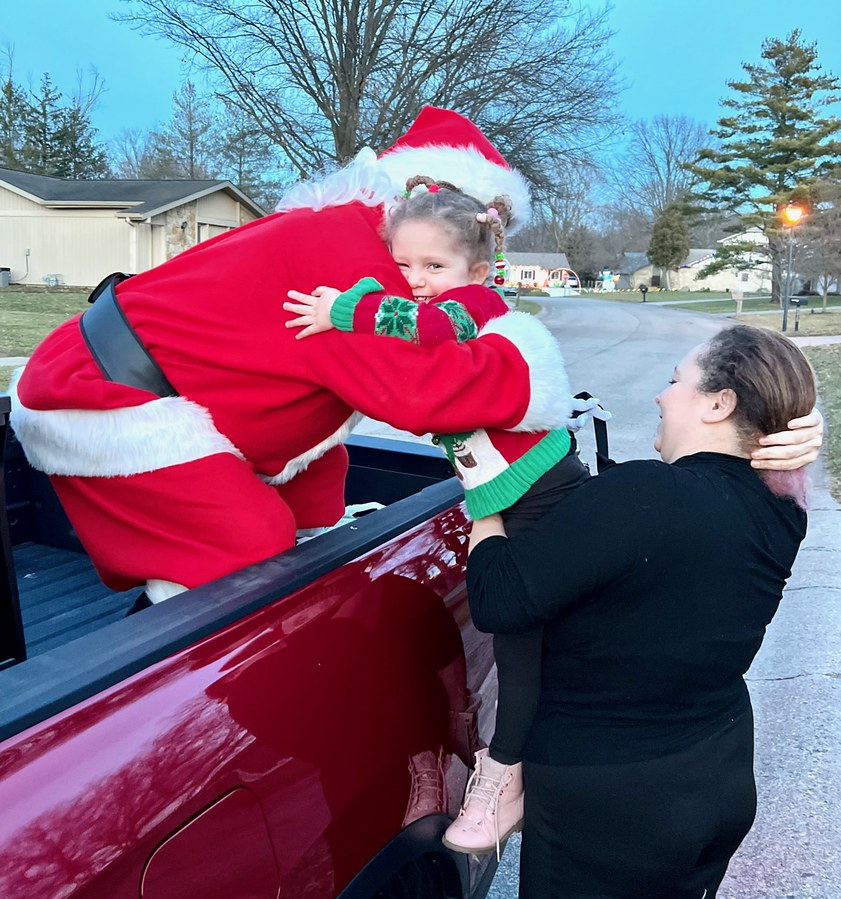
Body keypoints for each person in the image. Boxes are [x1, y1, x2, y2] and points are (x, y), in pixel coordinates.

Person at [9, 107, 577, 606]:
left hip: (159, 382)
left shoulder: (368, 238)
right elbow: (418, 393)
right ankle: (179, 657)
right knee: (244, 551)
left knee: (319, 488)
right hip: (101, 393)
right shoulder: (351, 256)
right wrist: (526, 368)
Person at [464, 323, 817, 899]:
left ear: (718, 403)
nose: (660, 396)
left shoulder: (639, 498)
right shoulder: (781, 508)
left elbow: (499, 597)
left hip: (607, 806)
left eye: (676, 380)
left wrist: (484, 498)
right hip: (715, 780)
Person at [283, 178, 604, 856]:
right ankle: (515, 755)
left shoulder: (473, 307)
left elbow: (426, 325)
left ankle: (506, 774)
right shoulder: (444, 307)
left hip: (539, 491)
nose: (416, 280)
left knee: (518, 639)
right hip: (512, 493)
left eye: (434, 265)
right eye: (402, 264)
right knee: (524, 639)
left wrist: (344, 309)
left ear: (478, 271)